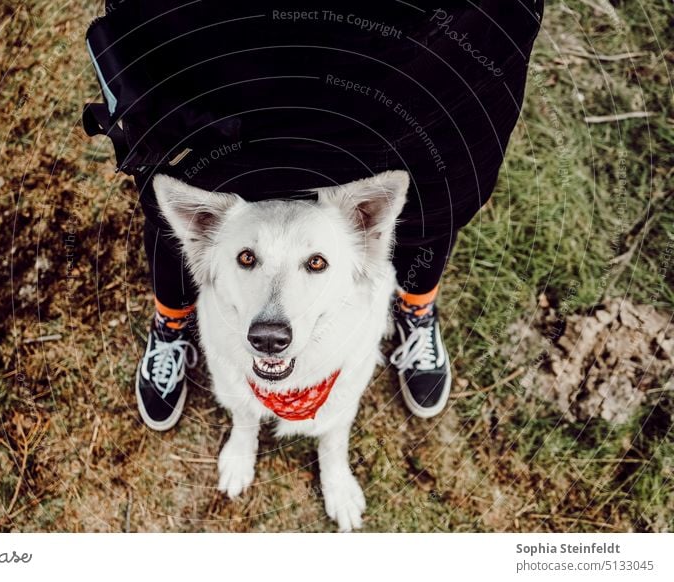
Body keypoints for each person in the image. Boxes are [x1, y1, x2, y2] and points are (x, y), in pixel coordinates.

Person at [83, 0, 544, 430]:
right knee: (196, 197)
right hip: (232, 43)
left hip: (414, 38)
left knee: (433, 189)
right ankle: (172, 320)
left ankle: (416, 308)